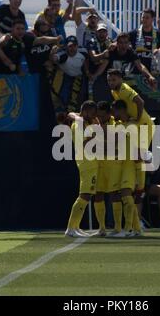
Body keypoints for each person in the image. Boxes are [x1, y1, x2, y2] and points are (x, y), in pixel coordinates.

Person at [107, 69, 155, 204]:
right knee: (135, 156)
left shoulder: (125, 89)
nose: (111, 82)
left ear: (121, 79)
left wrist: (137, 118)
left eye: (114, 79)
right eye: (109, 80)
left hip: (144, 124)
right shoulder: (114, 91)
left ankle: (141, 187)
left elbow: (140, 102)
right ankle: (139, 187)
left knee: (138, 155)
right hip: (134, 125)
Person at [65, 101, 99, 237]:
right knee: (84, 195)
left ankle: (75, 226)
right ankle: (70, 228)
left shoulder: (84, 123)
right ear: (85, 112)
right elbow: (84, 144)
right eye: (92, 113)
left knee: (86, 195)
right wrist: (95, 136)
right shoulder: (78, 125)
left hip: (89, 163)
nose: (94, 115)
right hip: (87, 164)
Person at [110, 99, 142, 237]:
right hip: (123, 165)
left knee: (126, 195)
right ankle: (137, 229)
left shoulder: (132, 125)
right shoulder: (121, 125)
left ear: (121, 110)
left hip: (131, 165)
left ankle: (127, 229)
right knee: (126, 196)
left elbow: (138, 147)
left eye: (114, 111)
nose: (113, 114)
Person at [92, 101, 123, 236]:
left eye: (102, 116)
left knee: (114, 194)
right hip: (98, 164)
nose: (99, 118)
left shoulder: (117, 124)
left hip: (113, 165)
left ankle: (117, 228)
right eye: (97, 116)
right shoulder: (94, 125)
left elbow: (114, 144)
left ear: (109, 114)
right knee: (98, 194)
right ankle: (102, 228)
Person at [51, 35, 90, 121]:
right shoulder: (63, 55)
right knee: (61, 100)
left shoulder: (83, 52)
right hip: (65, 78)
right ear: (66, 47)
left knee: (75, 102)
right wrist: (53, 52)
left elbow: (86, 60)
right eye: (70, 46)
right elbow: (54, 59)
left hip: (78, 79)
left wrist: (87, 71)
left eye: (74, 46)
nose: (72, 48)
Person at [128, 8, 160, 73]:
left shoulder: (158, 34)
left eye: (147, 18)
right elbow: (120, 41)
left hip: (153, 72)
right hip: (137, 72)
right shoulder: (134, 33)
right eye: (143, 17)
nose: (144, 20)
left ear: (152, 19)